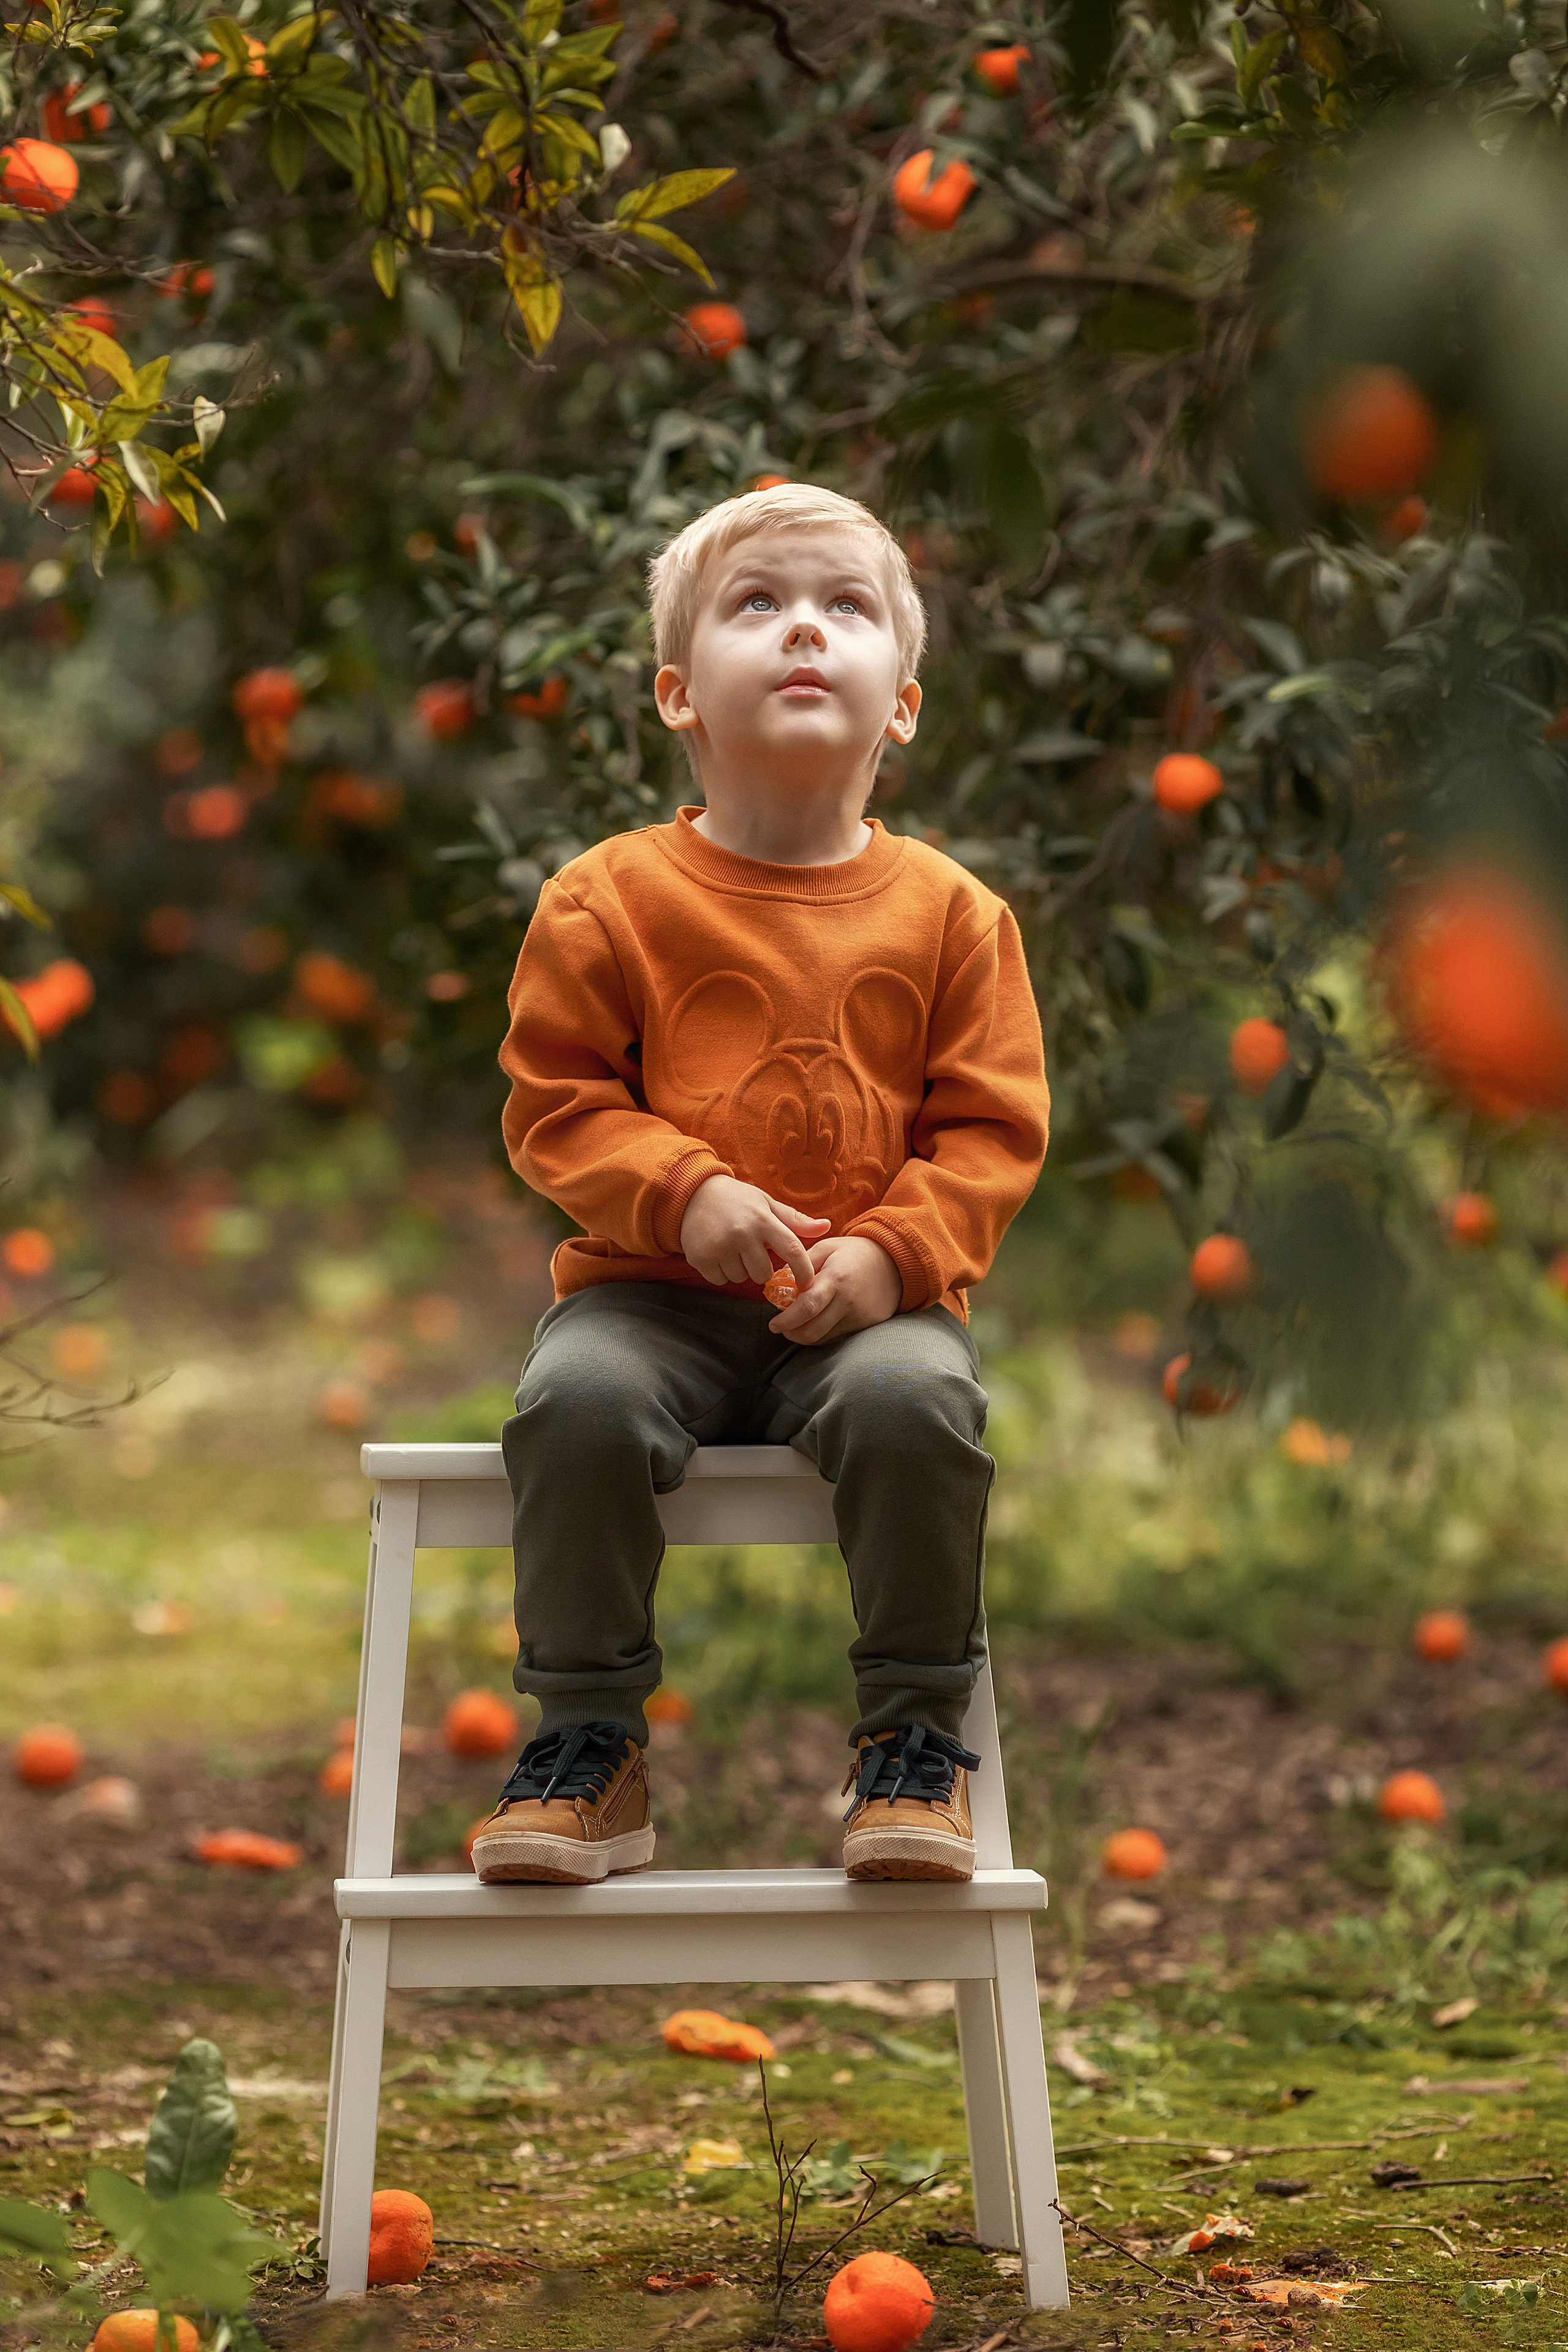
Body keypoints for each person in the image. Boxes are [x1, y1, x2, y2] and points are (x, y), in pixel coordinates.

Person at [469, 480, 1049, 1889]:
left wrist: (893, 1254)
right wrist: (680, 1192)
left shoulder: (953, 917)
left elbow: (990, 1133)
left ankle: (911, 1746)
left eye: (844, 607)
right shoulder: (606, 900)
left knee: (916, 1405)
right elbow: (554, 1106)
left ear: (900, 704)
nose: (803, 629)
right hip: (647, 1299)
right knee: (576, 1404)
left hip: (867, 1312)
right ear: (678, 691)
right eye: (757, 603)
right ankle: (589, 1746)